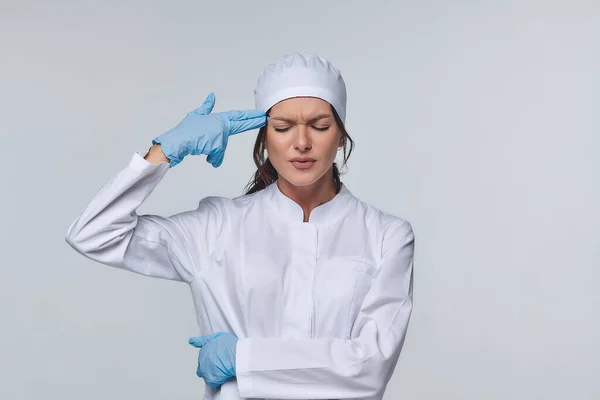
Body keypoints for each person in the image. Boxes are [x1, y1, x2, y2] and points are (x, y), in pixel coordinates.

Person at [66, 53, 415, 400]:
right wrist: (164, 152)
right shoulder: (217, 226)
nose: (302, 142)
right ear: (264, 139)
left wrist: (242, 359)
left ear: (341, 136)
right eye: (282, 128)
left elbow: (370, 367)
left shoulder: (386, 236)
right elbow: (93, 233)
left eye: (320, 126)